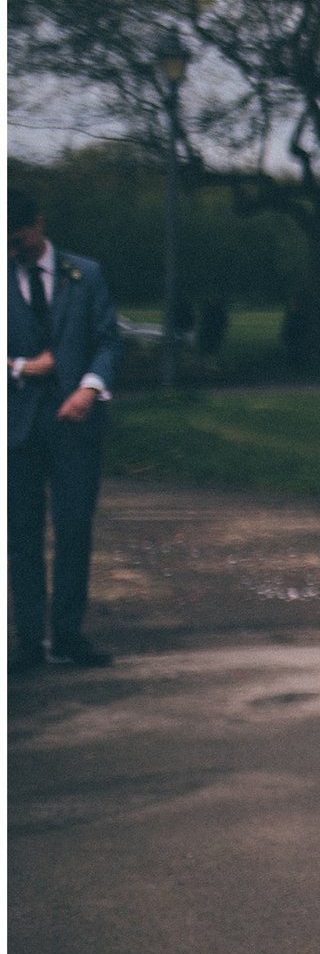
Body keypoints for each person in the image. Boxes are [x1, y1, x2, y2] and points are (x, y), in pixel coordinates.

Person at [9, 188, 123, 673]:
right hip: (15, 427)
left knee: (74, 528)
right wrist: (19, 367)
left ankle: (69, 633)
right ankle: (29, 640)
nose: (11, 248)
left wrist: (90, 388)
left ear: (38, 223)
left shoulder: (85, 274)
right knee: (21, 533)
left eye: (18, 237)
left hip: (75, 425)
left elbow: (107, 340)